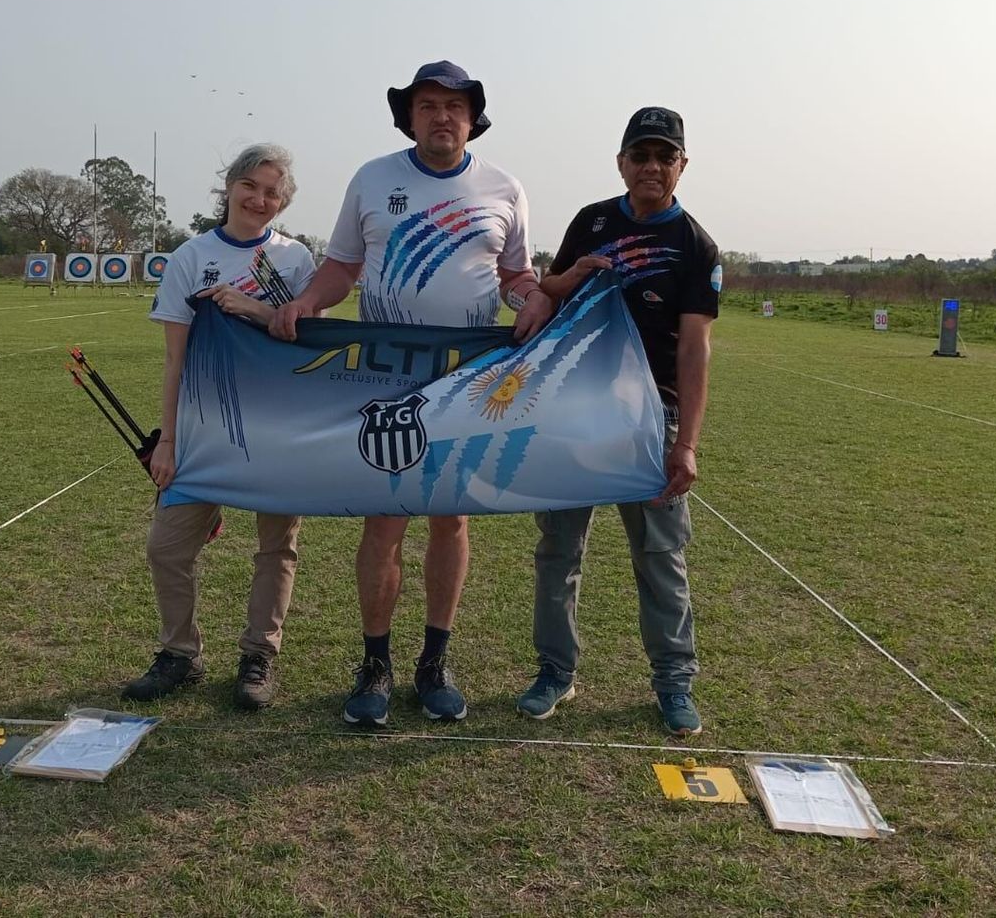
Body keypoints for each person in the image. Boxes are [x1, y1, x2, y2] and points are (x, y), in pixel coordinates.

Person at [269, 60, 553, 726]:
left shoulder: (505, 187)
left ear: (472, 116)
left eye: (454, 106)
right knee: (385, 518)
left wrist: (531, 294)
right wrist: (310, 298)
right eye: (428, 105)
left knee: (450, 518)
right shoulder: (373, 178)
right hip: (384, 373)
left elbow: (514, 272)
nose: (442, 116)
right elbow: (342, 267)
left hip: (466, 377)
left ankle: (434, 661)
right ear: (410, 116)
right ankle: (375, 663)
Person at [516, 107, 721, 736]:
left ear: (682, 165)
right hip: (575, 413)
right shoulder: (593, 221)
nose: (652, 168)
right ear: (622, 163)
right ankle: (556, 671)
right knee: (558, 551)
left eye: (665, 157)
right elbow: (550, 290)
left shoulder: (696, 245)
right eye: (641, 156)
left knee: (660, 555)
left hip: (648, 420)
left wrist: (684, 442)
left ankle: (673, 682)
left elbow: (693, 348)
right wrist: (565, 277)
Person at [124, 144, 318, 710]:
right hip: (205, 428)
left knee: (277, 547)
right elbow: (174, 362)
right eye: (251, 186)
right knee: (167, 547)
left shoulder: (296, 260)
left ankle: (260, 655)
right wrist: (168, 439)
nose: (260, 200)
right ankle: (179, 654)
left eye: (273, 193)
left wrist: (254, 309)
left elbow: (311, 343)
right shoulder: (190, 256)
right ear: (230, 186)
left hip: (278, 426)